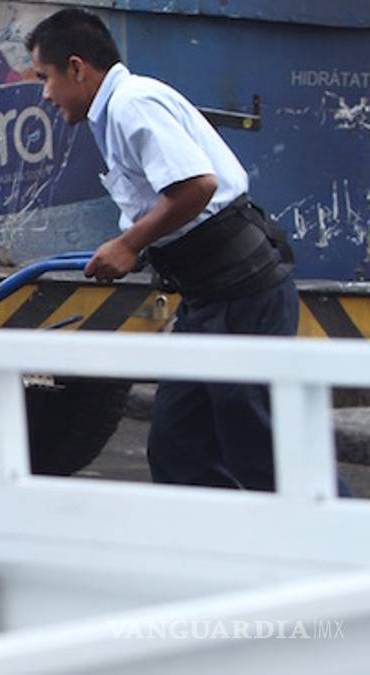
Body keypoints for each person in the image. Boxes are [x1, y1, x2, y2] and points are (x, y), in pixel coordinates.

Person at [25, 8, 345, 495]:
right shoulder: (110, 115)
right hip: (209, 298)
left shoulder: (132, 104)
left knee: (261, 448)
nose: (45, 94)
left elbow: (197, 186)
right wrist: (133, 243)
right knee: (179, 448)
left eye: (44, 78)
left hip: (242, 292)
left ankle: (345, 534)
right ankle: (225, 539)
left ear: (76, 67)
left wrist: (130, 244)